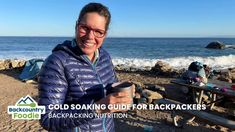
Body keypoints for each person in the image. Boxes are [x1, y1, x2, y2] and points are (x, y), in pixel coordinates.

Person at [38, 3, 132, 132]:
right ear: (76, 26)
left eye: (98, 32)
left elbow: (109, 88)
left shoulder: (104, 56)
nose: (90, 37)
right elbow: (48, 119)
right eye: (85, 28)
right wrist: (97, 108)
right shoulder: (57, 62)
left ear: (105, 34)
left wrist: (120, 96)